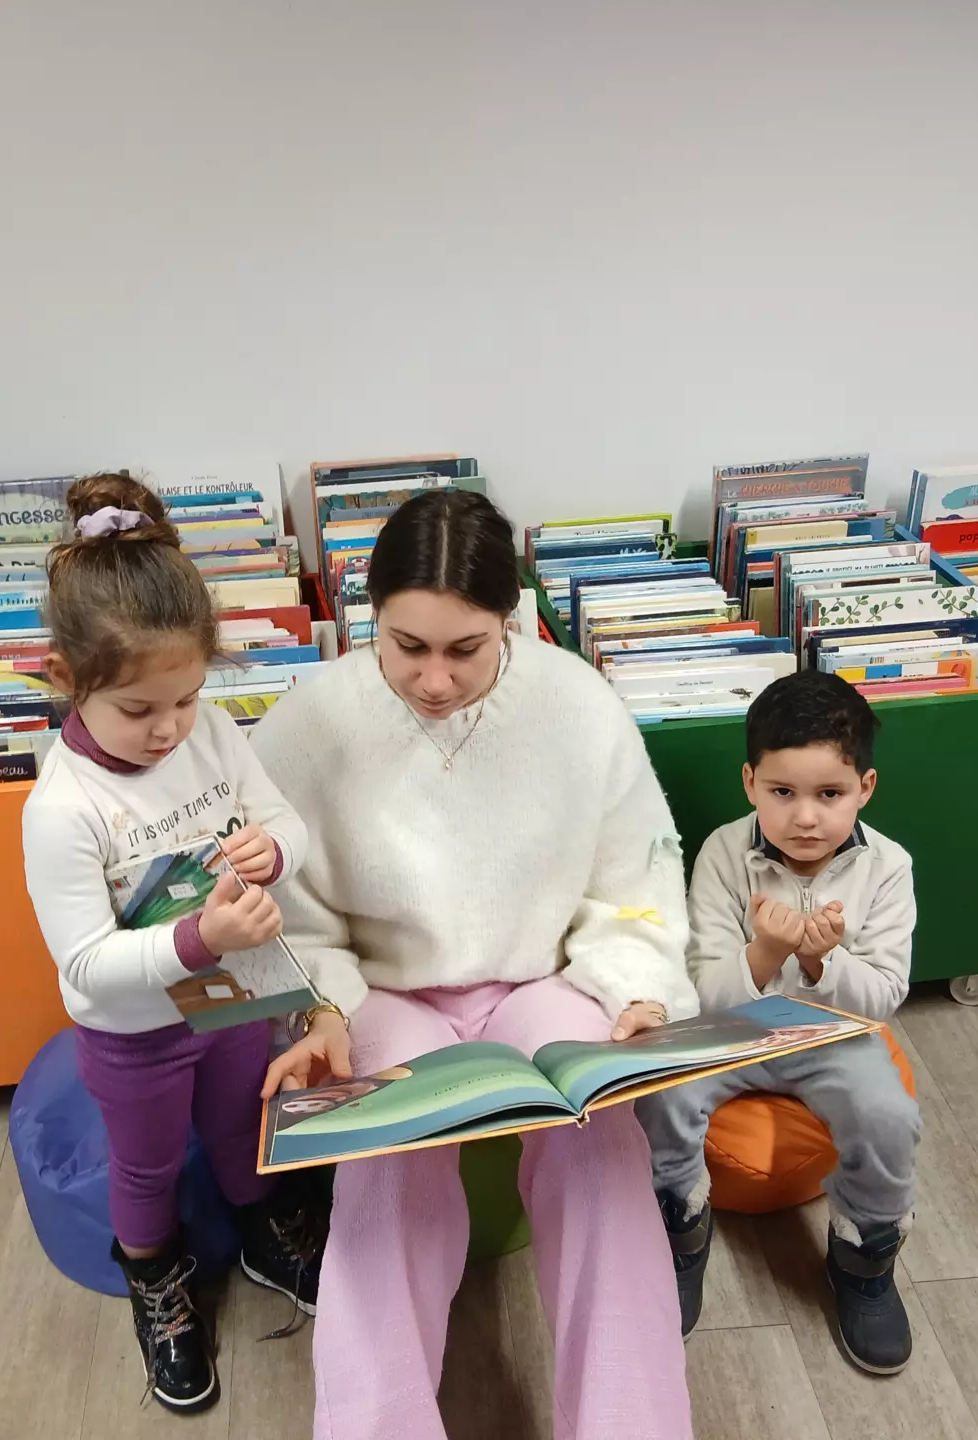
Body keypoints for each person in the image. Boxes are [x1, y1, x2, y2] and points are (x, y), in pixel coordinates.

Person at [252, 489, 699, 1440]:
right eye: (407, 646)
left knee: (606, 1157)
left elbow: (636, 872)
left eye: (467, 649)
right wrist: (318, 1007)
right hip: (381, 991)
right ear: (367, 614)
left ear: (514, 620)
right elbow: (284, 911)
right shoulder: (307, 721)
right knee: (387, 1178)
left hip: (544, 981)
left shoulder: (578, 700)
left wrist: (636, 983)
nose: (435, 679)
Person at [21, 473, 327, 1415]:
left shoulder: (213, 734)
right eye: (139, 711)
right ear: (67, 681)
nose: (169, 731)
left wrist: (274, 851)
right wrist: (198, 939)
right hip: (137, 1032)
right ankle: (154, 1282)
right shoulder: (62, 809)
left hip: (234, 999)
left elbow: (285, 820)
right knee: (147, 1168)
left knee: (244, 1127)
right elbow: (85, 971)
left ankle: (262, 1225)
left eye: (187, 700)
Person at [636, 669, 922, 1374]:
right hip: (728, 1034)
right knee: (660, 1094)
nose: (805, 818)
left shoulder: (888, 868)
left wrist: (826, 966)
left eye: (830, 795)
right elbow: (702, 991)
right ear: (749, 783)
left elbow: (884, 997)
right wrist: (766, 950)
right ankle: (679, 1228)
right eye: (782, 793)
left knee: (888, 1112)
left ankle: (865, 1256)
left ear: (866, 789)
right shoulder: (722, 855)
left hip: (830, 1034)